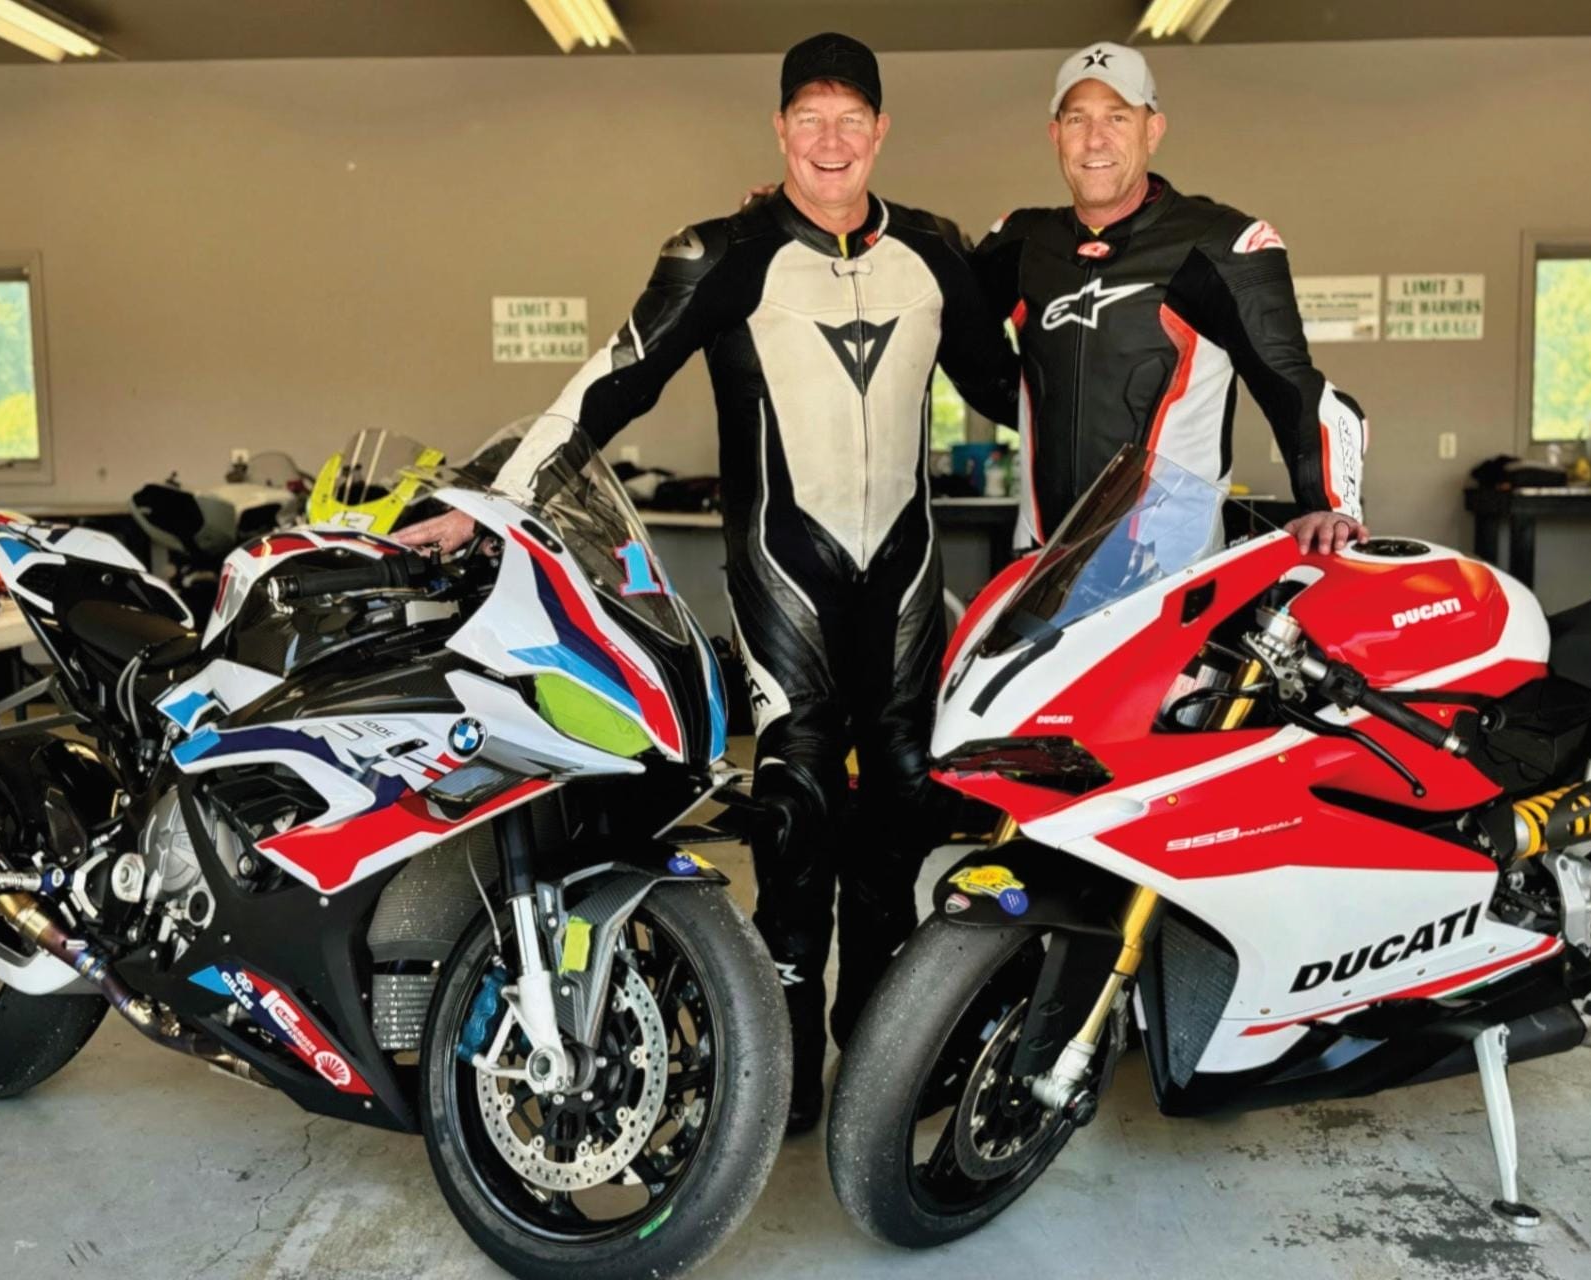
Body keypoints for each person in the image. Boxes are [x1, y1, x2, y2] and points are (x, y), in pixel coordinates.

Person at [396, 33, 1016, 1134]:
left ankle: (881, 1047)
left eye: (850, 119)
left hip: (904, 580)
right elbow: (610, 382)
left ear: (880, 131)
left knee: (902, 811)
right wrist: (492, 501)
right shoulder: (721, 251)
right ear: (780, 131)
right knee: (795, 813)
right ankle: (779, 1079)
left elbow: (1018, 388)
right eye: (808, 120)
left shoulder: (933, 252)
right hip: (787, 577)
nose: (830, 141)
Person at [975, 42, 1370, 555]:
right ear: (1056, 136)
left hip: (1169, 570)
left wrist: (1329, 502)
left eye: (1117, 117)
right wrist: (1028, 410)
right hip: (1040, 564)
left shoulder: (1220, 244)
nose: (1095, 139)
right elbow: (960, 342)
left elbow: (1290, 382)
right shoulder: (1021, 243)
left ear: (1152, 130)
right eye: (1077, 119)